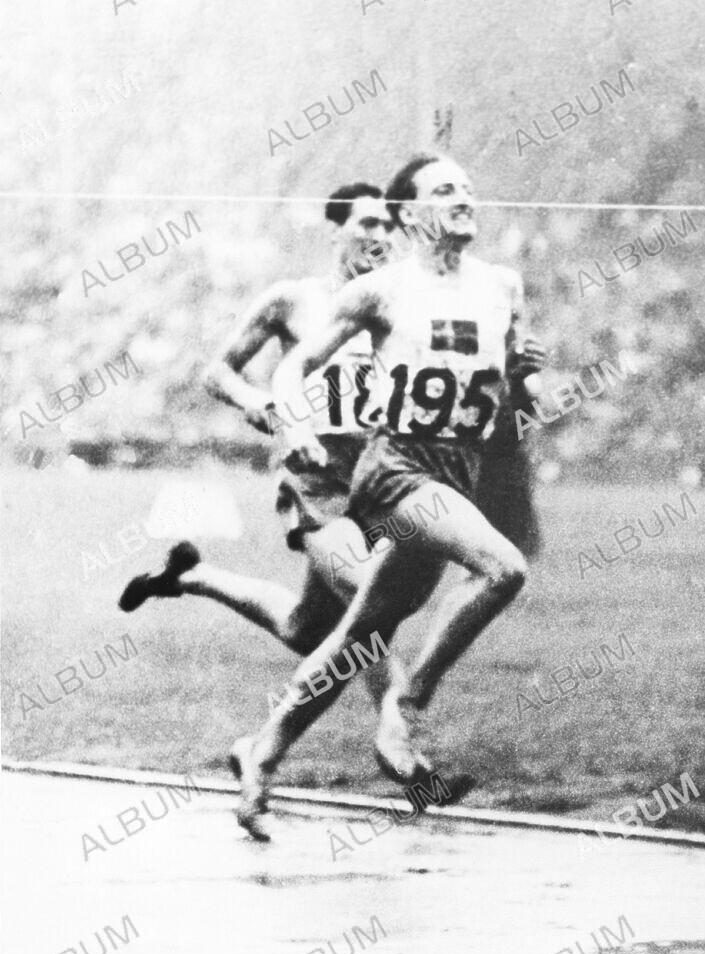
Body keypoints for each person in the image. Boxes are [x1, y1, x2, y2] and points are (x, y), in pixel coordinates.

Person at [232, 154, 548, 840]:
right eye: (444, 190)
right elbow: (296, 365)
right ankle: (408, 703)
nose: (464, 198)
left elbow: (512, 397)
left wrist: (523, 381)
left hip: (455, 467)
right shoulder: (380, 290)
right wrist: (298, 424)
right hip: (398, 469)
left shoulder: (503, 287)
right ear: (409, 214)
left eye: (467, 186)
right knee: (504, 567)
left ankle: (263, 756)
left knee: (355, 638)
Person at [118, 183, 445, 830]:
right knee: (368, 601)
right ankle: (397, 747)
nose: (381, 237)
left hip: (378, 475)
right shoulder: (294, 301)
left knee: (305, 627)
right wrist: (259, 404)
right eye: (368, 224)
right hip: (316, 479)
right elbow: (217, 370)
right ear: (335, 231)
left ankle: (191, 577)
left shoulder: (395, 302)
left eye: (389, 227)